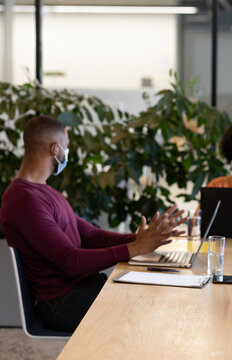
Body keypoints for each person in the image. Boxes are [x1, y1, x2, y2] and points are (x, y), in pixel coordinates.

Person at [0, 115, 185, 332]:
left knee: (153, 290)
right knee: (152, 306)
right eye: (66, 147)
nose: (66, 153)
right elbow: (70, 260)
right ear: (55, 149)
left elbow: (91, 236)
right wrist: (134, 248)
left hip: (81, 290)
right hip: (60, 303)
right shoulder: (24, 199)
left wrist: (144, 238)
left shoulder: (45, 192)